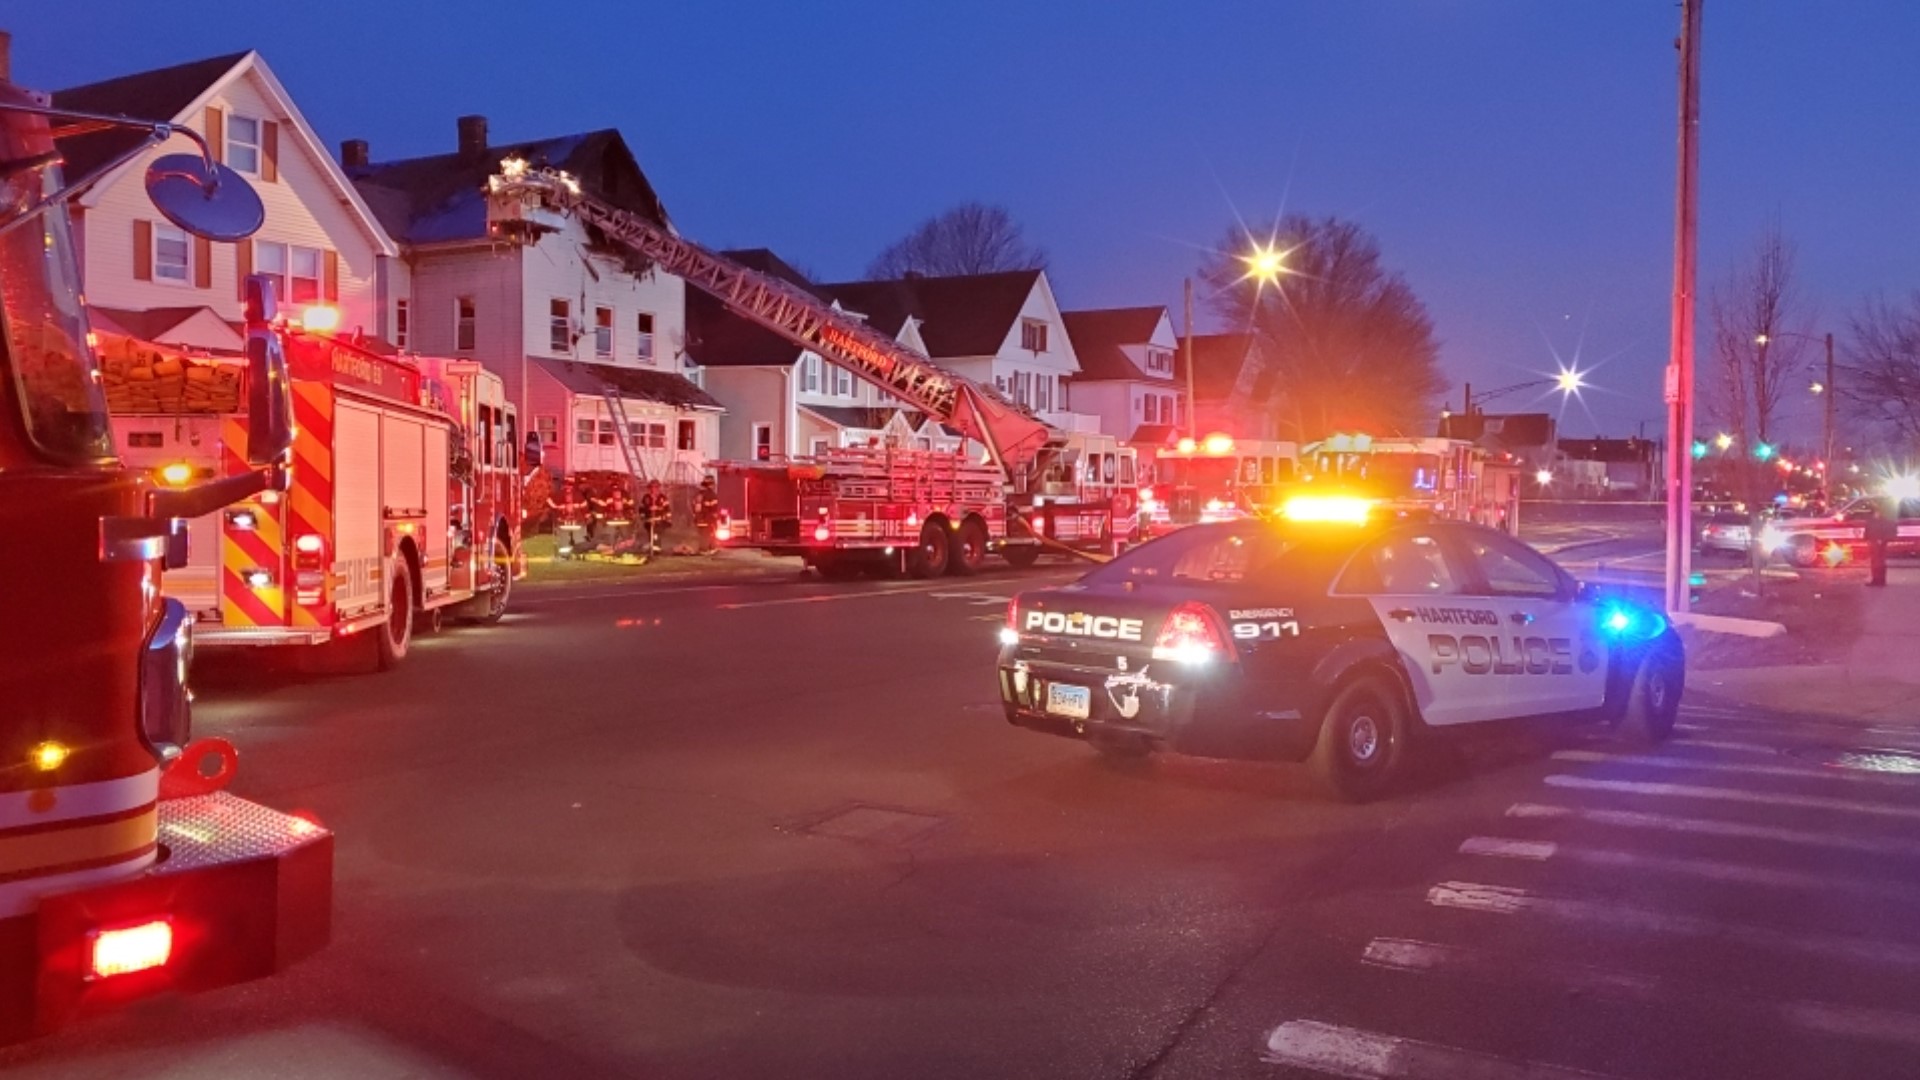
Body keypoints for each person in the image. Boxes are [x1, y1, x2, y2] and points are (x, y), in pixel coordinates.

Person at [547, 479, 587, 556]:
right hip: (563, 520)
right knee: (564, 537)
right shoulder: (558, 494)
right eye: (567, 485)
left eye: (569, 485)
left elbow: (584, 504)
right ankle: (566, 554)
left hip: (576, 520)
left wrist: (577, 506)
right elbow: (548, 500)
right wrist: (557, 507)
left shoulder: (577, 494)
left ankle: (579, 553)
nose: (568, 487)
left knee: (578, 537)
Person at [1865, 497, 1897, 587]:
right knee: (1875, 561)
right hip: (1874, 540)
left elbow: (1885, 529)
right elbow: (1868, 528)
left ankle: (1880, 580)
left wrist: (1881, 539)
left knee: (1879, 561)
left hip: (1879, 541)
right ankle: (1876, 579)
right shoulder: (1873, 516)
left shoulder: (1884, 518)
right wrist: (1867, 538)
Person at [638, 479, 672, 556]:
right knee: (651, 535)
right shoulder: (646, 497)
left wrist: (667, 518)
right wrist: (643, 515)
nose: (654, 489)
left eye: (656, 487)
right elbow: (641, 508)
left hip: (659, 520)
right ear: (649, 488)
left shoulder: (662, 497)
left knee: (656, 535)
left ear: (658, 488)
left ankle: (656, 550)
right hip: (649, 520)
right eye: (652, 487)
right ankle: (652, 549)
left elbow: (667, 509)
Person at [693, 476, 722, 555]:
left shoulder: (698, 495)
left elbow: (693, 506)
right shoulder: (711, 494)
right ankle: (708, 549)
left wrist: (696, 516)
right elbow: (714, 508)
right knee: (710, 534)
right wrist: (715, 517)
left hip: (699, 519)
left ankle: (702, 549)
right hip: (708, 519)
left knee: (702, 534)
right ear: (711, 484)